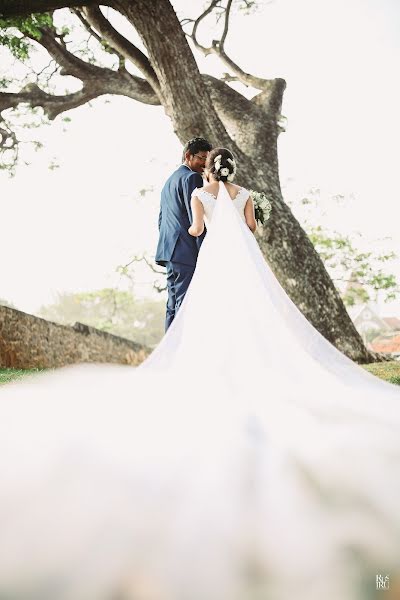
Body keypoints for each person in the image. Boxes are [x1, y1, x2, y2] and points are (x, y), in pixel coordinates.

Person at [0, 148, 400, 600]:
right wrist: (251, 215)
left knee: (211, 314)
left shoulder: (201, 192)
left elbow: (195, 230)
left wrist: (205, 217)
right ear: (234, 171)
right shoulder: (245, 193)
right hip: (244, 262)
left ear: (209, 168)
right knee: (254, 309)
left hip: (214, 262)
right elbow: (251, 228)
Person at [155, 136, 212, 330]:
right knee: (184, 304)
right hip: (186, 251)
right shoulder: (192, 178)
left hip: (169, 251)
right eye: (201, 158)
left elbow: (161, 220)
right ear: (188, 155)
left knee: (172, 305)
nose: (204, 164)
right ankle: (178, 352)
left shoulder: (168, 181)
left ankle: (169, 354)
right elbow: (195, 220)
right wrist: (205, 253)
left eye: (207, 159)